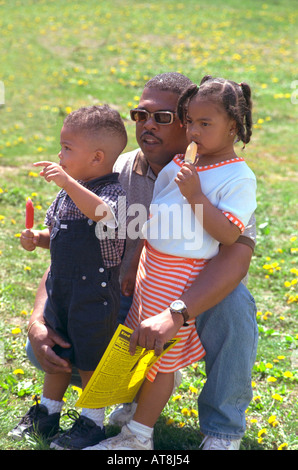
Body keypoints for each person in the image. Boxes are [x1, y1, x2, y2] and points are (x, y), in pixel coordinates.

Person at [25, 73, 258, 451]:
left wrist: (177, 314)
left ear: (188, 121)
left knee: (234, 307)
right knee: (46, 345)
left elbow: (236, 258)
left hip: (194, 289)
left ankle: (221, 429)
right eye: (140, 115)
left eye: (162, 117)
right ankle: (126, 401)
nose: (147, 125)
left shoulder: (227, 178)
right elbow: (73, 249)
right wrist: (39, 318)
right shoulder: (115, 171)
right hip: (133, 285)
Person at [10, 105, 128, 450]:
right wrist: (38, 238)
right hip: (61, 287)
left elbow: (103, 215)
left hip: (95, 293)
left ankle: (92, 420)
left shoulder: (111, 193)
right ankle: (48, 412)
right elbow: (58, 234)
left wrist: (67, 182)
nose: (59, 155)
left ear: (97, 157)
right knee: (57, 351)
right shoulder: (66, 194)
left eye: (67, 149)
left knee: (90, 356)